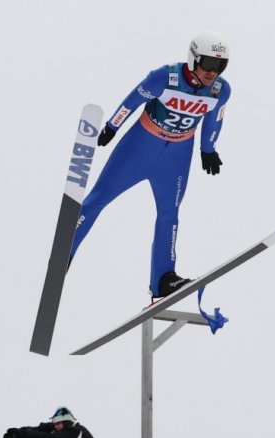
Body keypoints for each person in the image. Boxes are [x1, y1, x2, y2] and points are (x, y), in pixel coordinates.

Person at [69, 31, 232, 299]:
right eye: (208, 64)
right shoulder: (165, 77)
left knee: (170, 214)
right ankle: (67, 249)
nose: (213, 72)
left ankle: (163, 279)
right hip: (141, 146)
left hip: (177, 156)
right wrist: (112, 126)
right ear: (193, 59)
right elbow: (133, 99)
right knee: (99, 198)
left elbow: (215, 119)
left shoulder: (220, 90)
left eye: (220, 66)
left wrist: (208, 149)